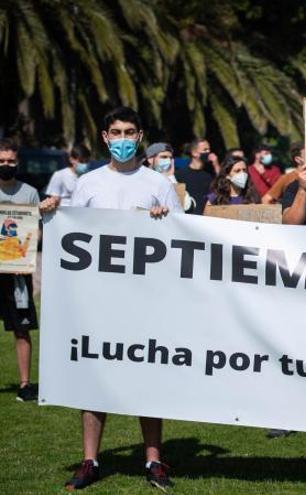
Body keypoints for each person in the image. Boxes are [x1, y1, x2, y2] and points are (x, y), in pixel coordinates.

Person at [64, 107, 181, 491]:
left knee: (147, 377)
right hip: (98, 301)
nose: (123, 138)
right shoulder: (88, 183)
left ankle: (153, 461)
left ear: (141, 134)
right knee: (94, 379)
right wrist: (51, 212)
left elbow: (182, 237)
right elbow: (71, 234)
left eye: (130, 131)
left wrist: (165, 219)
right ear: (104, 137)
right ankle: (90, 460)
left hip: (147, 300)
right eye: (116, 132)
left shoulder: (158, 183)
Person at [0, 139, 54, 403]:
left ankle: (25, 384)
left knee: (22, 329)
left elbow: (37, 229)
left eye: (10, 161)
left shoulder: (30, 193)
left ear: (17, 162)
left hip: (18, 273)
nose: (6, 165)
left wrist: (25, 257)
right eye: (1, 161)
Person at [144, 142, 196, 212]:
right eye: (164, 157)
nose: (168, 161)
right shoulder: (142, 179)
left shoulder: (172, 179)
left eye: (170, 158)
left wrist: (171, 177)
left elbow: (188, 206)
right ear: (150, 159)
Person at [176, 138, 216, 214]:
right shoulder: (180, 174)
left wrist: (216, 164)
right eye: (205, 149)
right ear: (194, 153)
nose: (208, 152)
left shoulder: (210, 174)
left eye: (209, 149)